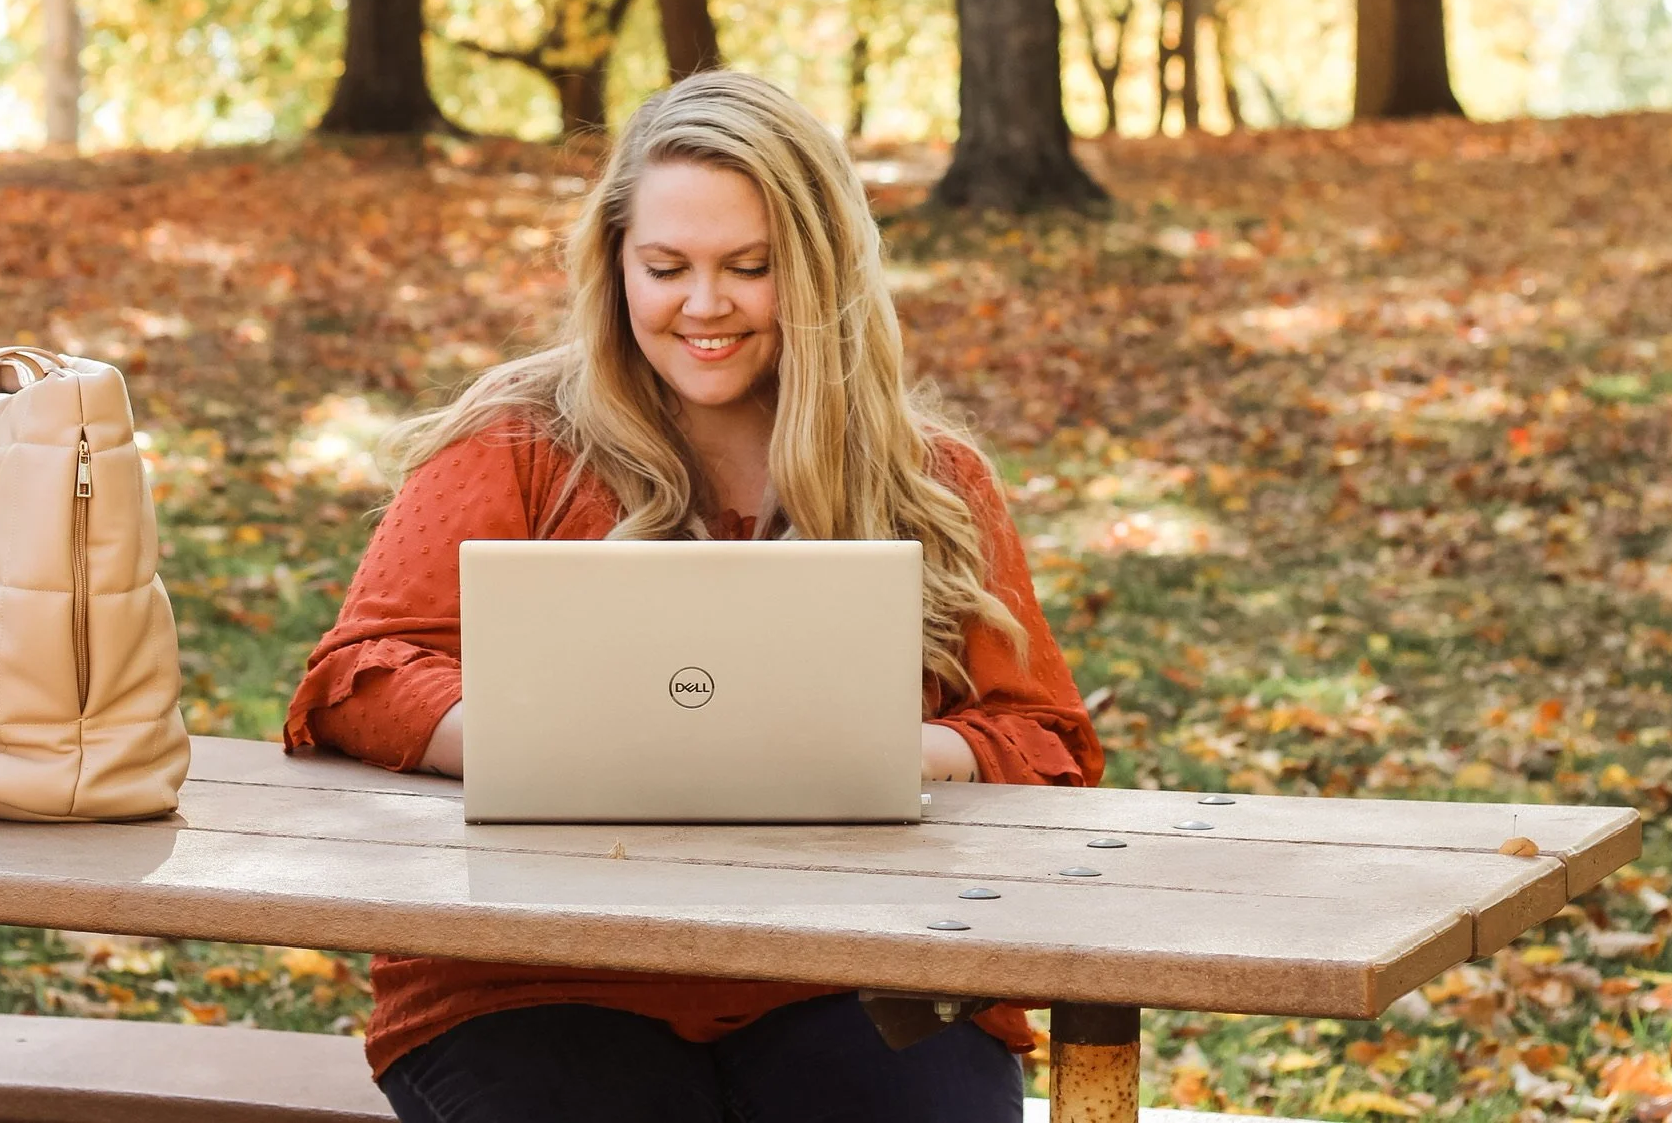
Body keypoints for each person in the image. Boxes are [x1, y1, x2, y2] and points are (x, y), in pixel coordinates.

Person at [283, 71, 1103, 1123]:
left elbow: (1045, 738)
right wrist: (532, 743)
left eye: (749, 268)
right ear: (615, 261)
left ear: (818, 270)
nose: (702, 305)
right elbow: (358, 673)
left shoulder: (929, 479)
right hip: (536, 969)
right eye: (665, 266)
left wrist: (895, 751)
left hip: (858, 963)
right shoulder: (519, 440)